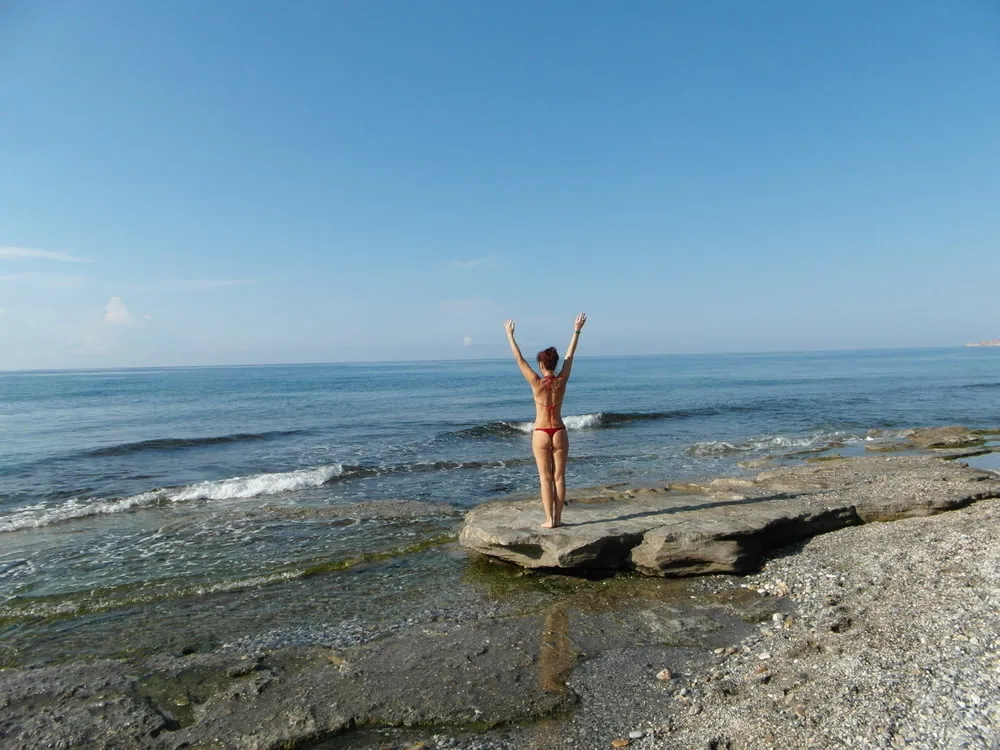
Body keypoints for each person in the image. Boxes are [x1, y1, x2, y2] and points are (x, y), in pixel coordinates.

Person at [504, 313, 587, 528]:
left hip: (541, 432)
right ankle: (559, 518)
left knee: (545, 478)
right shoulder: (562, 381)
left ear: (541, 365)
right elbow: (570, 355)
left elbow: (519, 359)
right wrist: (576, 330)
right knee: (559, 477)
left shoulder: (536, 382)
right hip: (559, 430)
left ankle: (549, 520)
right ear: (555, 364)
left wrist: (510, 336)